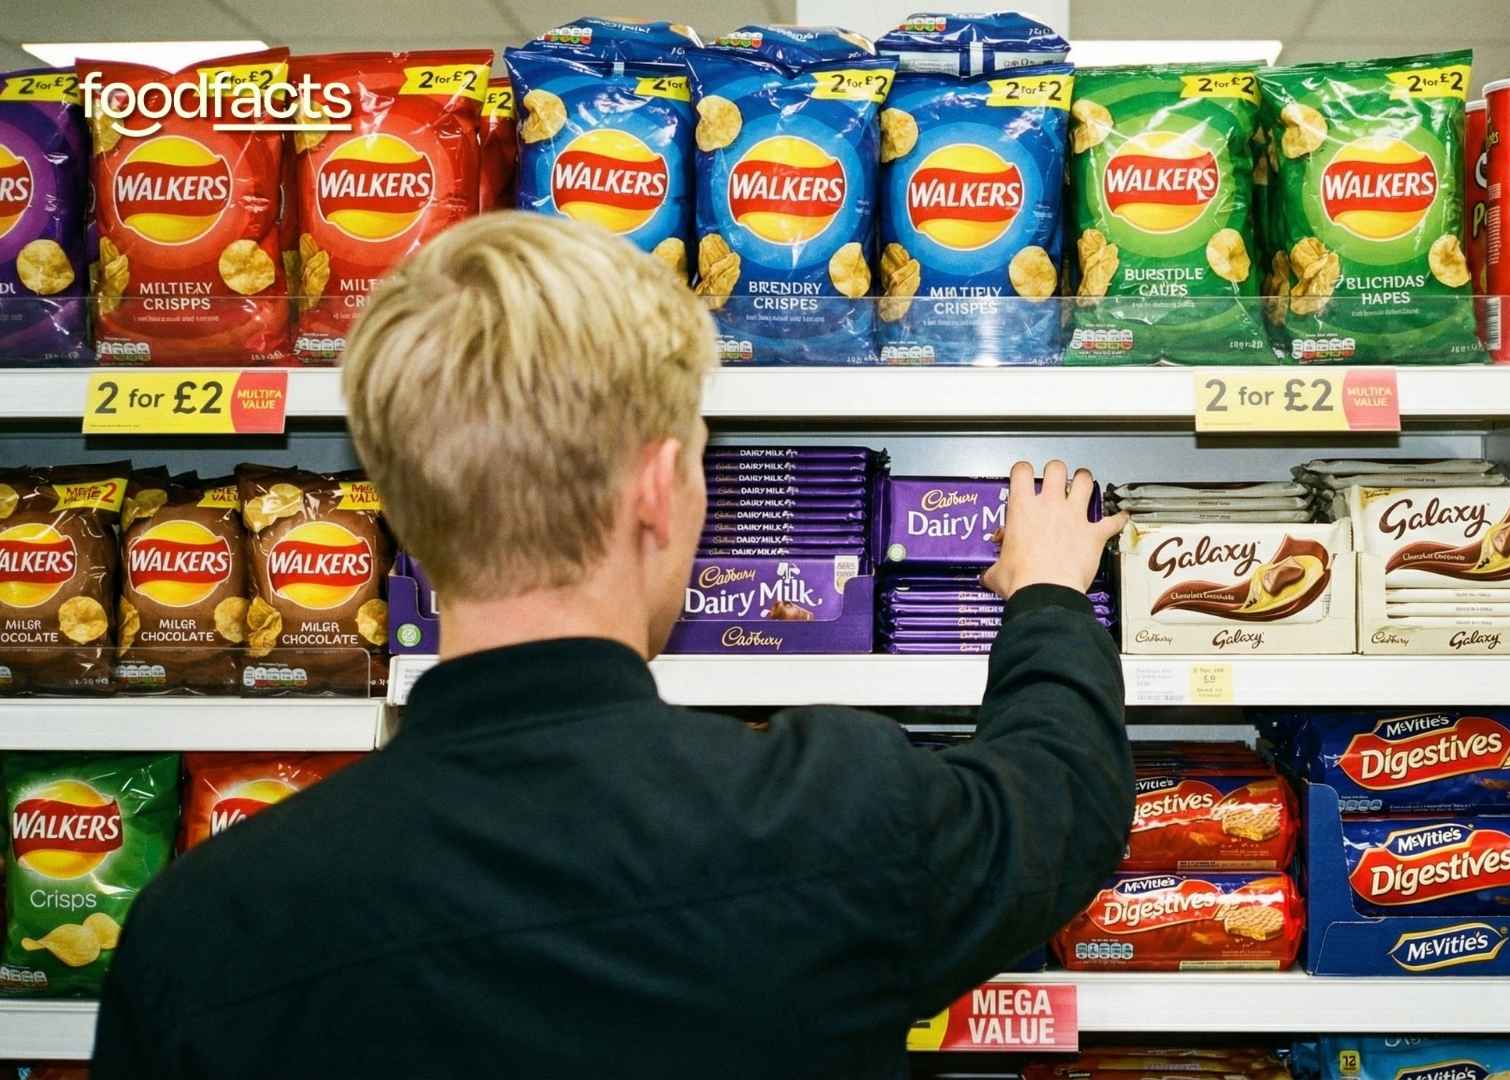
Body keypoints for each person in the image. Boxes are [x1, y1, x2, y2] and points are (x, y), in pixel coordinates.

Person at [91, 212, 1133, 1078]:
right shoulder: (833, 819)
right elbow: (1062, 797)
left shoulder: (203, 926)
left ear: (402, 514)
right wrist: (1043, 594)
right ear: (653, 489)